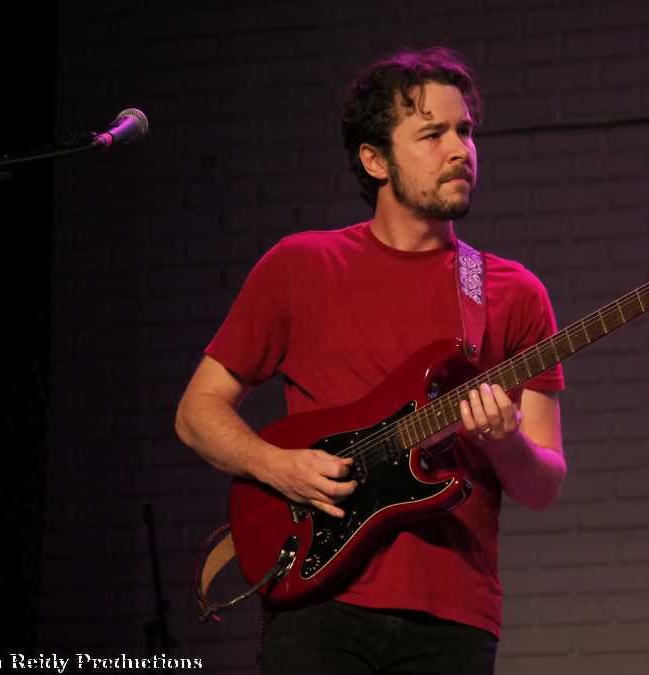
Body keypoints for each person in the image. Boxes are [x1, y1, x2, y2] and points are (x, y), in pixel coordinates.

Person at [175, 47, 567, 675]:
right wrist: (278, 466)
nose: (460, 150)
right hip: (320, 603)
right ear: (374, 159)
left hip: (455, 616)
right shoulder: (300, 267)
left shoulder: (514, 293)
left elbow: (541, 485)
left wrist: (505, 440)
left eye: (465, 131)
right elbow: (196, 413)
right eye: (433, 134)